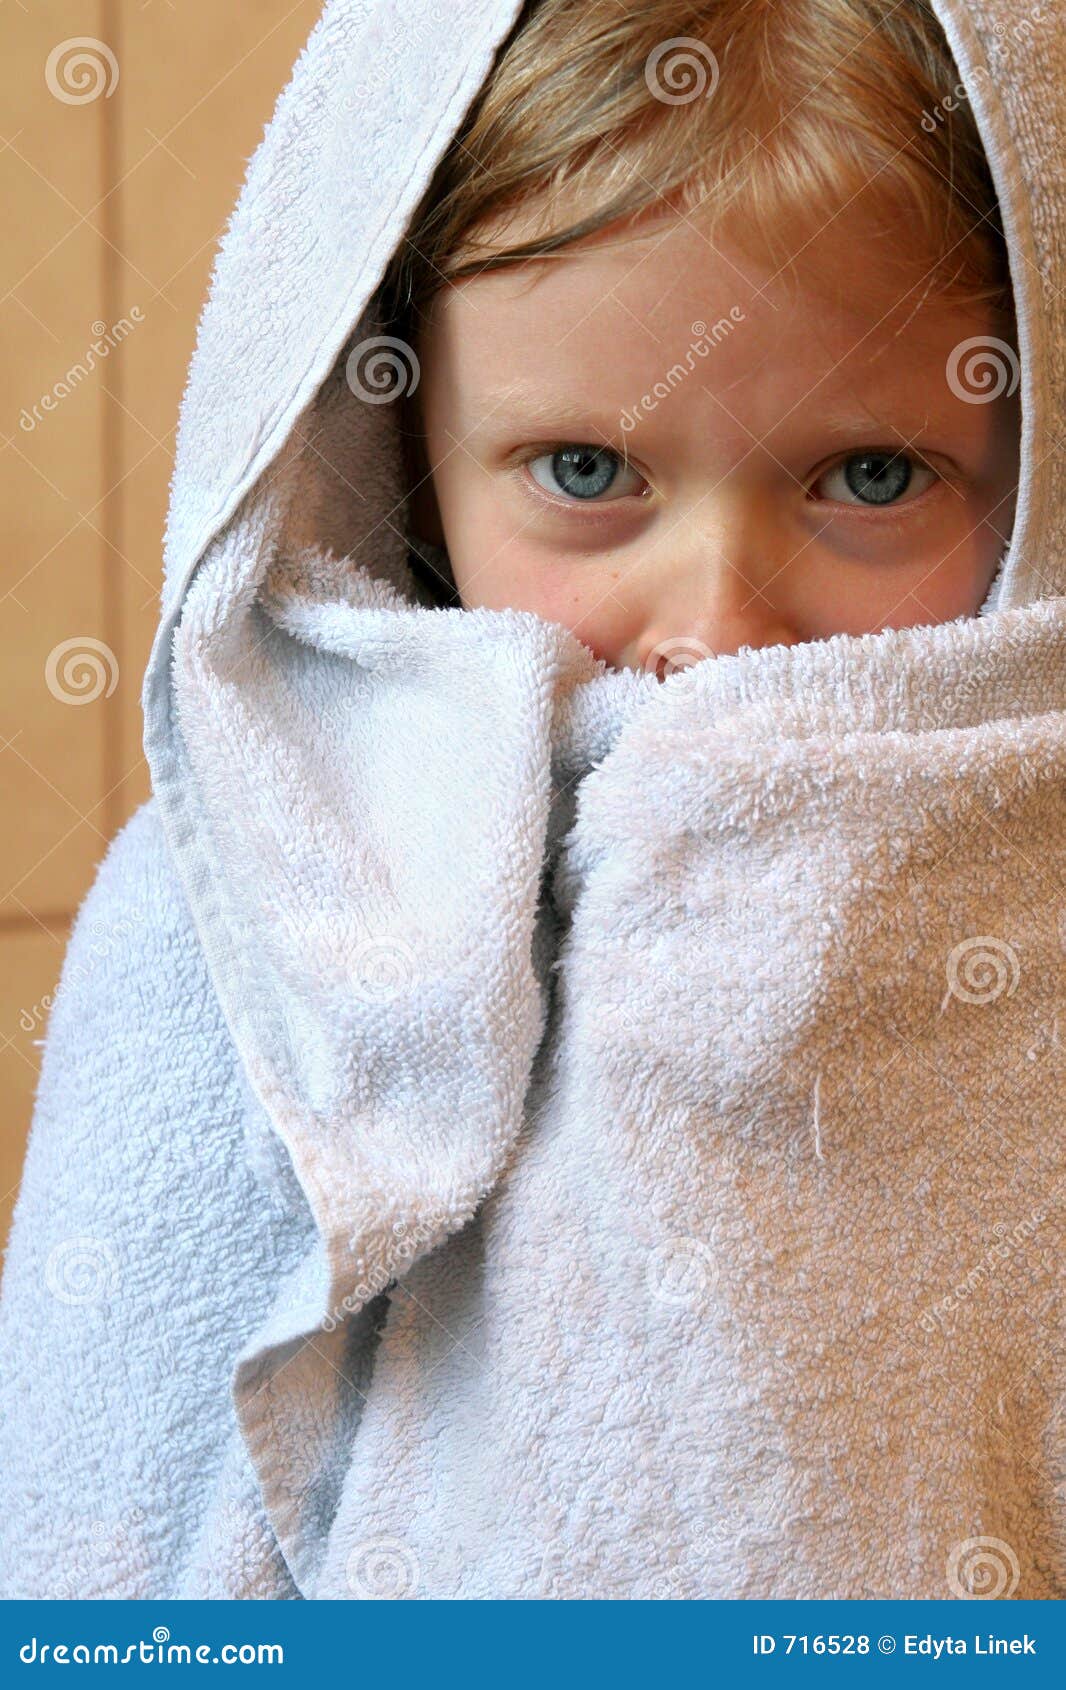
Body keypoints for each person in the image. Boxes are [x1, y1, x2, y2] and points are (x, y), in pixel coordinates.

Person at [1, 0, 1062, 1600]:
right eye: (584, 471)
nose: (713, 623)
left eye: (869, 476)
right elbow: (100, 1545)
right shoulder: (265, 891)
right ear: (396, 446)